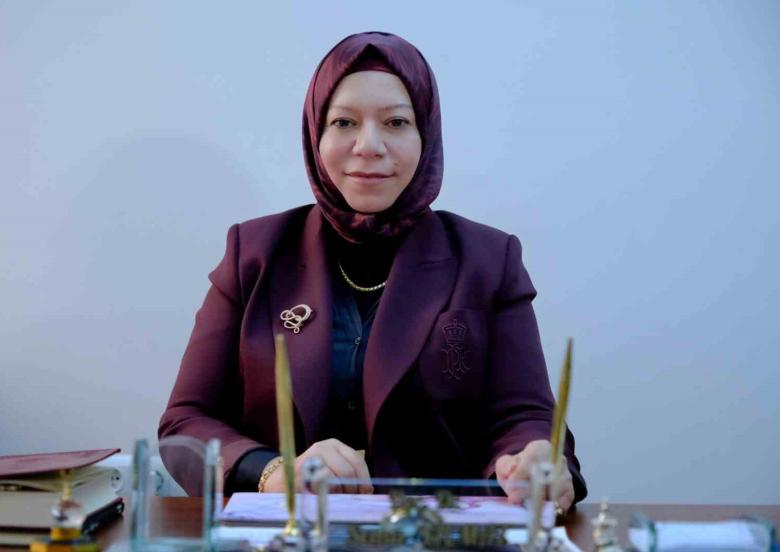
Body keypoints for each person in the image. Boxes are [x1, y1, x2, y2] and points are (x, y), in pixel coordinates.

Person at [158, 31, 587, 512]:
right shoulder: (253, 253)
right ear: (315, 134)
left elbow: (526, 417)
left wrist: (532, 462)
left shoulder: (488, 259)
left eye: (396, 122)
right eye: (344, 122)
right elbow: (186, 421)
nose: (369, 145)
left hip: (436, 533)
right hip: (288, 533)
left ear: (426, 134)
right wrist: (273, 472)